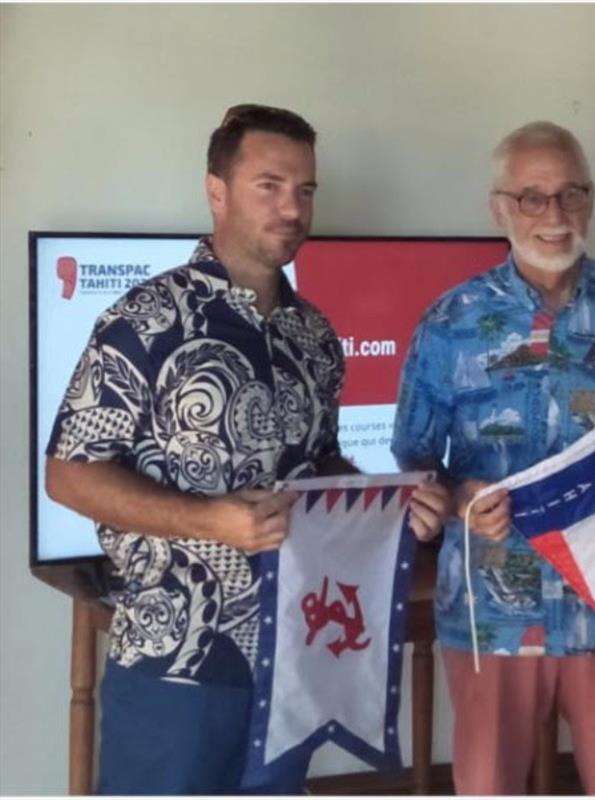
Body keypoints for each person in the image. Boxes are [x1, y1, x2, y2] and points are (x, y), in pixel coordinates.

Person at [46, 104, 449, 795]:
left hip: (294, 657)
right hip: (175, 666)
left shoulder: (315, 336)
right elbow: (68, 475)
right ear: (217, 191)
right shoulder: (143, 321)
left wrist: (387, 501)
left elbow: (320, 463)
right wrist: (211, 521)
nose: (292, 207)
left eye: (306, 190)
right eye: (270, 185)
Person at [392, 121, 595, 795]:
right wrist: (460, 500)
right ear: (499, 207)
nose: (555, 215)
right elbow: (415, 461)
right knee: (487, 787)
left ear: (591, 200)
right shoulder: (450, 321)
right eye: (532, 197)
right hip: (493, 612)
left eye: (572, 193)